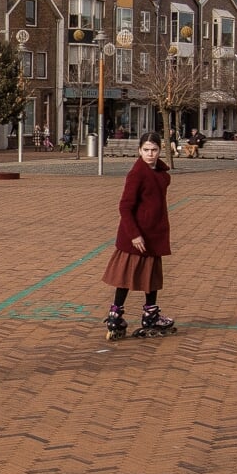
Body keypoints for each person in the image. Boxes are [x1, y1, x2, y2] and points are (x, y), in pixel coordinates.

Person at [101, 135, 176, 341]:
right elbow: (125, 206)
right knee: (126, 275)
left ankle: (150, 314)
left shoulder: (160, 172)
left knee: (151, 276)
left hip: (154, 233)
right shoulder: (137, 173)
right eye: (146, 150)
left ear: (160, 150)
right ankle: (115, 314)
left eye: (154, 150)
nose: (150, 154)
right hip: (137, 235)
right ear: (139, 151)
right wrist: (134, 234)